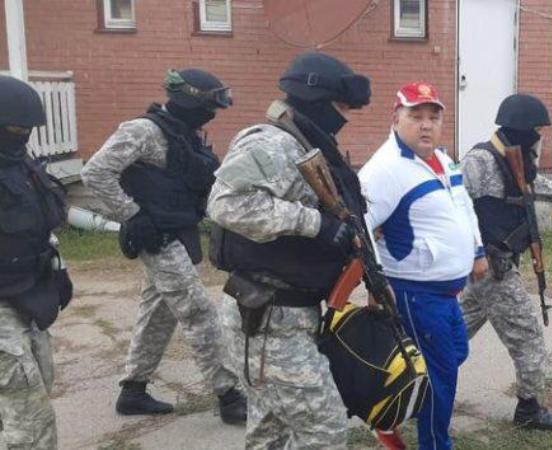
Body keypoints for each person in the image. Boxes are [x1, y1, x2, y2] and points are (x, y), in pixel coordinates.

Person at [207, 51, 371, 449]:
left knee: (270, 432)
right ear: (316, 99)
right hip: (268, 317)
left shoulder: (306, 145)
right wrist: (315, 224)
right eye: (340, 108)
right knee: (325, 431)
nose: (344, 117)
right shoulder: (272, 143)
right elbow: (226, 204)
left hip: (289, 315)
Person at [80, 68, 246, 424]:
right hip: (157, 236)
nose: (212, 115)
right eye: (209, 107)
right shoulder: (143, 131)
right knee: (198, 310)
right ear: (189, 101)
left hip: (178, 230)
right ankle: (230, 395)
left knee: (159, 311)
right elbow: (94, 172)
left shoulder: (185, 134)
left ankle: (133, 390)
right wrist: (132, 214)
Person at [459, 93, 552, 431]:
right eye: (536, 130)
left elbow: (536, 182)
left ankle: (417, 381)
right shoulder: (479, 162)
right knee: (528, 336)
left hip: (492, 268)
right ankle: (528, 410)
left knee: (452, 332)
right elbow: (453, 205)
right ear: (521, 129)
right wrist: (473, 255)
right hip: (492, 268)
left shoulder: (514, 159)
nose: (540, 137)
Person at [358, 82, 487, 450]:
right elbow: (359, 228)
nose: (426, 124)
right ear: (396, 118)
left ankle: (395, 405)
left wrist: (476, 250)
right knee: (438, 377)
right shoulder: (385, 169)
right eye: (416, 116)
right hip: (415, 293)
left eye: (433, 117)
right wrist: (375, 283)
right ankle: (434, 443)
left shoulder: (442, 160)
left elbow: (464, 206)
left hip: (446, 292)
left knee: (455, 353)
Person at [0, 75, 73, 449]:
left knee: (38, 382)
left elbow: (37, 226)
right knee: (31, 418)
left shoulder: (20, 165)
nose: (23, 136)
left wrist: (57, 268)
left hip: (27, 295)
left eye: (27, 129)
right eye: (15, 129)